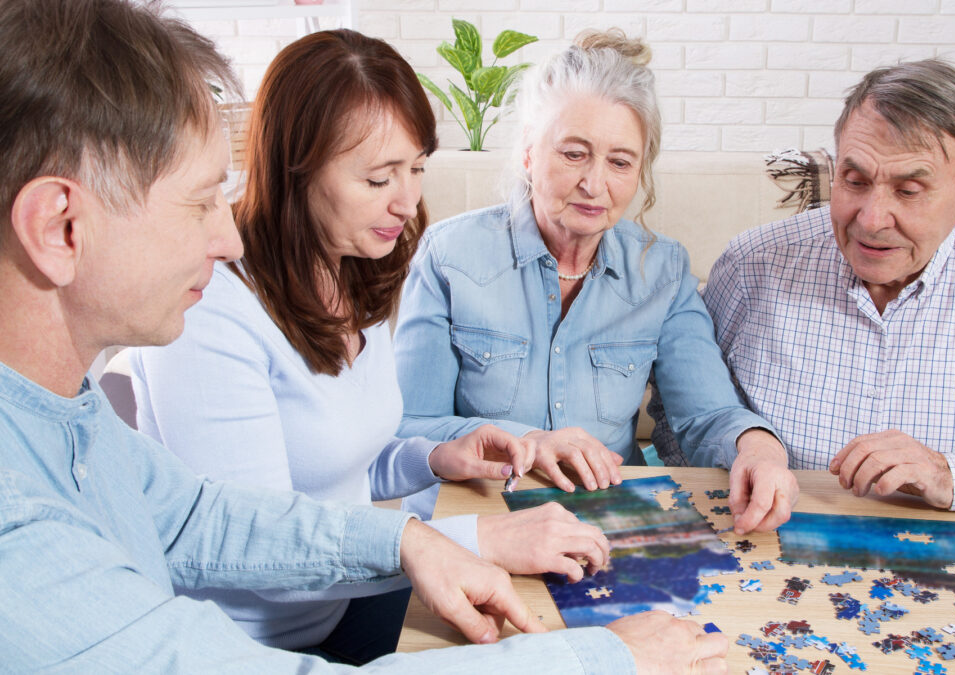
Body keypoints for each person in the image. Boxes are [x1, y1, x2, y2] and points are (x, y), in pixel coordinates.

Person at [0, 1, 728, 672]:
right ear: (59, 227)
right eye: (199, 204)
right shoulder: (18, 532)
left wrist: (408, 536)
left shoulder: (69, 411)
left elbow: (200, 517)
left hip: (344, 603)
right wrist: (601, 659)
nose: (227, 239)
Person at [129, 28, 616, 664]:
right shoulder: (207, 310)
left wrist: (434, 458)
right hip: (256, 648)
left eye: (415, 169)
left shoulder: (355, 265)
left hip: (344, 605)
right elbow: (260, 544)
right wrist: (480, 537)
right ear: (294, 169)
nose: (407, 200)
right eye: (378, 178)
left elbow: (336, 470)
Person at [393, 29, 797, 535]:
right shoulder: (449, 256)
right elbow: (408, 428)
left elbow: (705, 414)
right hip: (478, 527)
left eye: (620, 162)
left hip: (609, 530)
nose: (595, 184)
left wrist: (758, 447)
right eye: (573, 153)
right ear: (527, 153)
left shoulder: (663, 271)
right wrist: (531, 440)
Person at [651, 59, 955, 524]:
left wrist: (952, 475)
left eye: (910, 189)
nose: (872, 220)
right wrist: (743, 459)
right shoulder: (751, 266)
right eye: (855, 182)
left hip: (952, 552)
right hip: (765, 538)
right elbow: (678, 416)